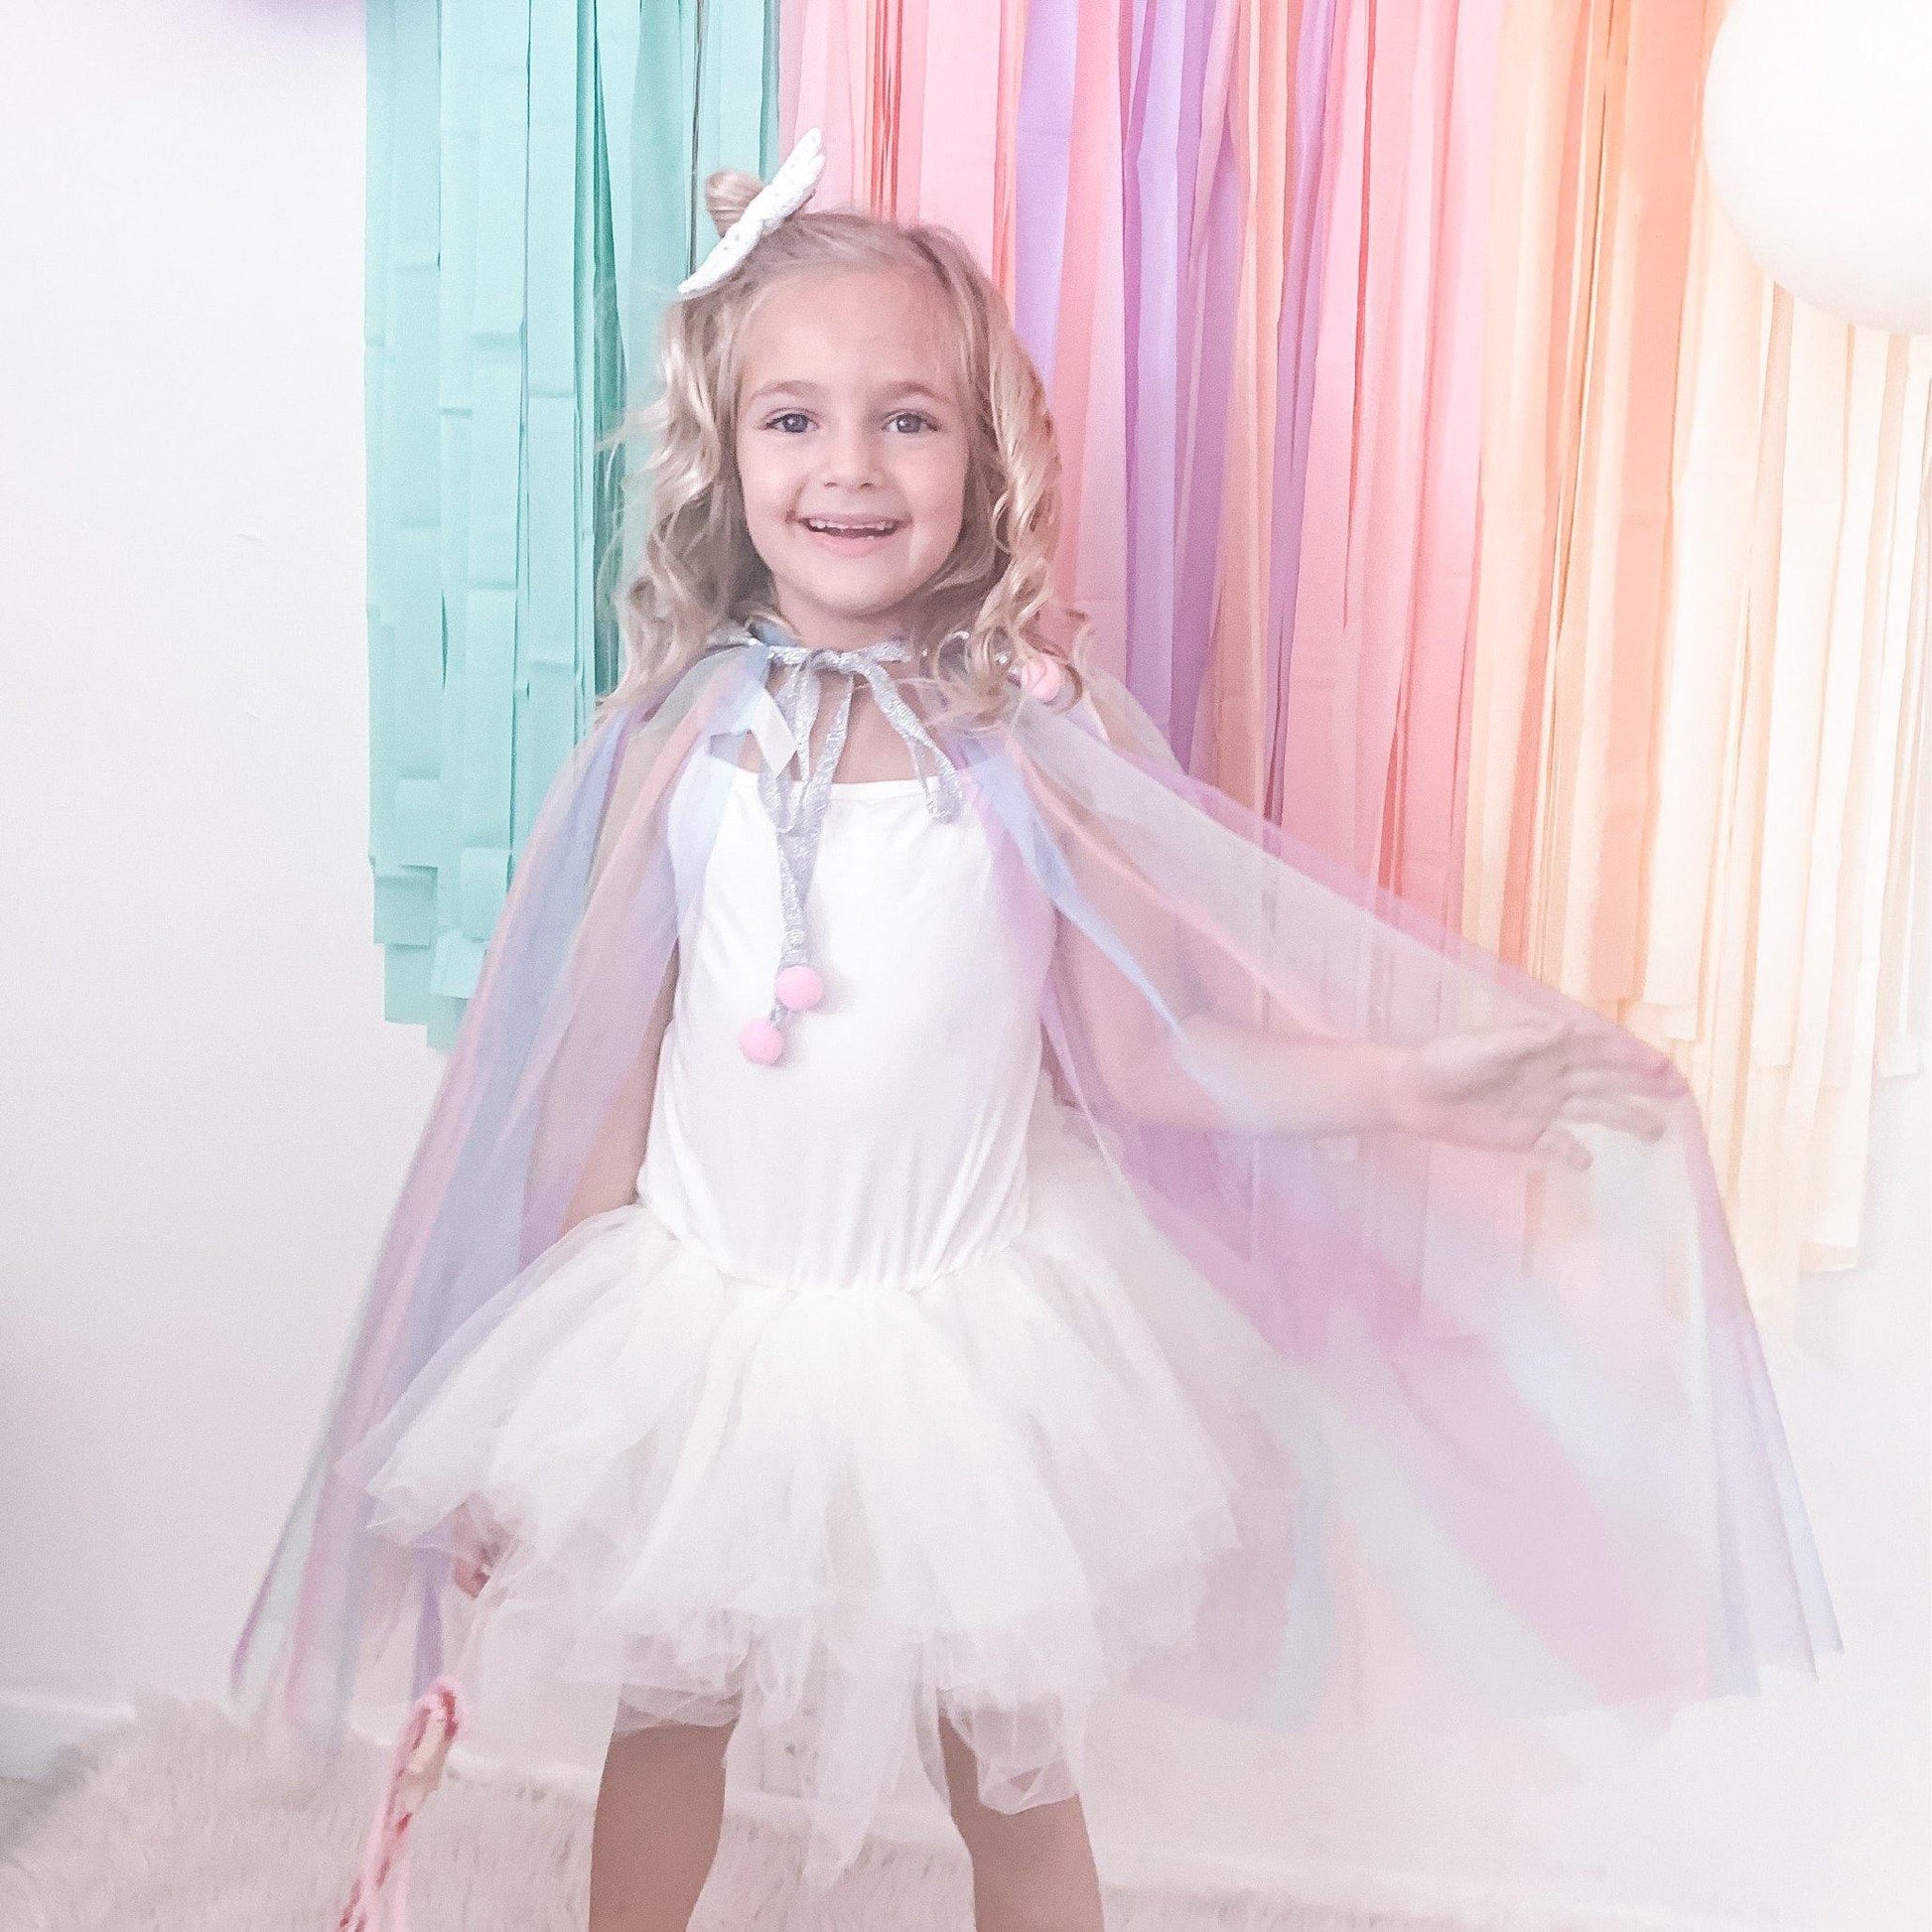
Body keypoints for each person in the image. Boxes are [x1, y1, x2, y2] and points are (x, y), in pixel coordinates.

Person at [231, 129, 1839, 1932]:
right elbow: (587, 1090)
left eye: (906, 418)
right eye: (794, 419)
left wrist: (1429, 1083)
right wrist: (532, 1413)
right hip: (698, 1331)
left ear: (984, 452)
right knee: (668, 1715)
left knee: (1007, 1756)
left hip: (965, 1345)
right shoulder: (679, 735)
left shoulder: (1034, 741)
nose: (849, 464)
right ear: (725, 448)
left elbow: (1152, 1060)